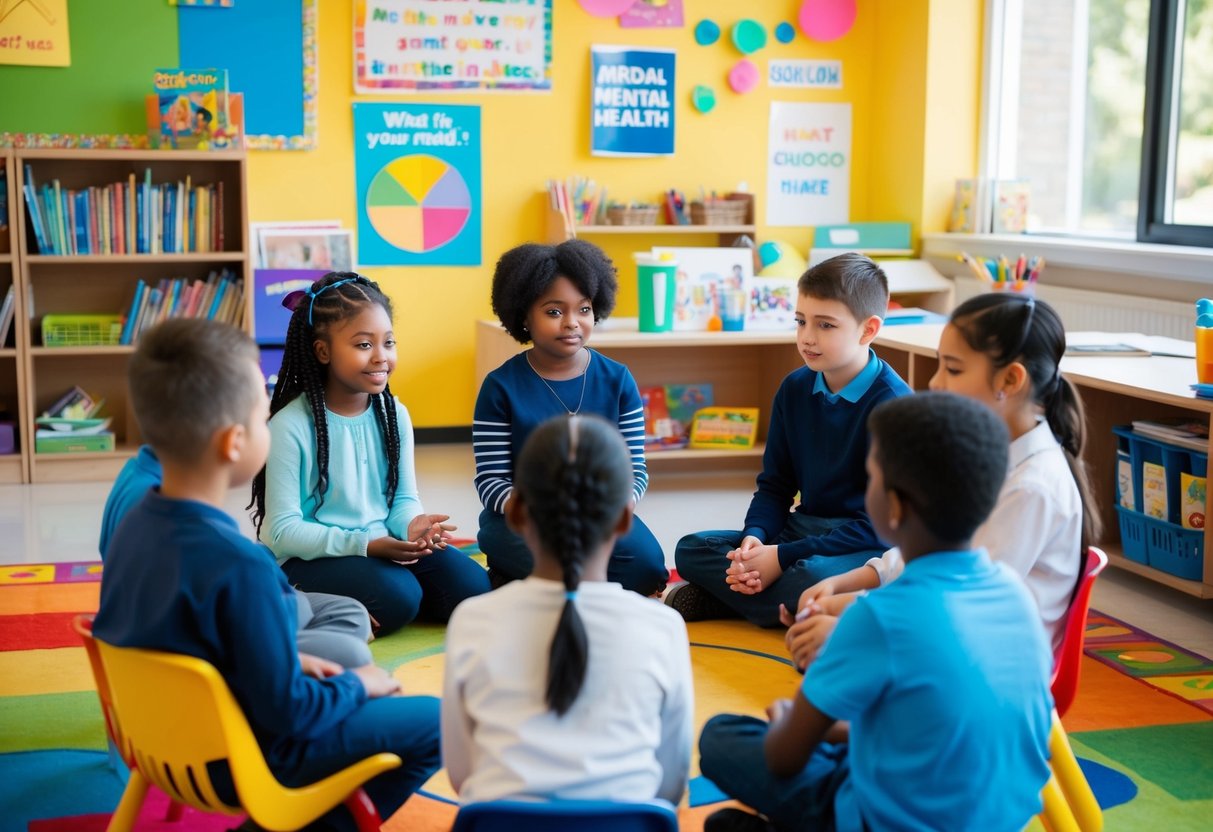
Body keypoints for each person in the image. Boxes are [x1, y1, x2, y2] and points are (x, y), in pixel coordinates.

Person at [93, 319, 440, 830]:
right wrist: (359, 685)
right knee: (436, 721)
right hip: (235, 758)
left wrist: (289, 660)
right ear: (235, 443)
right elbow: (292, 714)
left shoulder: (135, 522)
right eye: (263, 416)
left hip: (156, 744)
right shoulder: (240, 564)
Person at [698, 393, 1053, 832]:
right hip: (1000, 818)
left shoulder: (879, 616)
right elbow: (943, 729)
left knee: (721, 739)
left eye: (870, 478)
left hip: (882, 818)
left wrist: (792, 720)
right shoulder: (1017, 594)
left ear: (896, 505)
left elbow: (783, 756)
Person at [784, 294, 1099, 668]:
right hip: (950, 637)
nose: (935, 383)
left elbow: (955, 599)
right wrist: (854, 581)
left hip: (985, 667)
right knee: (822, 643)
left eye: (953, 368)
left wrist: (851, 617)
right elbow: (933, 550)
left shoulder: (1032, 487)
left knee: (820, 668)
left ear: (1010, 379)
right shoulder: (989, 453)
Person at [444, 414, 693, 805]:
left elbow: (462, 776)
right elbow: (670, 785)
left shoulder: (472, 621)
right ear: (626, 519)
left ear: (517, 513)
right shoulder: (663, 626)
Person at [669, 253, 912, 626]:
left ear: (868, 330)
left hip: (861, 543)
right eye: (800, 321)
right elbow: (775, 486)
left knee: (811, 577)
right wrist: (755, 539)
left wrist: (781, 557)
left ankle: (728, 599)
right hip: (803, 529)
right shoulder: (794, 388)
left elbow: (880, 525)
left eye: (826, 325)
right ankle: (783, 604)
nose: (807, 338)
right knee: (693, 548)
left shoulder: (895, 406)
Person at [251, 272, 490, 635]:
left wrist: (413, 526)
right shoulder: (289, 425)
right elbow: (281, 531)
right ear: (323, 351)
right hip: (307, 557)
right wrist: (365, 544)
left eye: (389, 342)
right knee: (400, 597)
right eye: (364, 345)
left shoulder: (395, 414)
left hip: (381, 544)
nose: (381, 357)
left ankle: (381, 596)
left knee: (474, 592)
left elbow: (403, 499)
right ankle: (308, 599)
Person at [473, 240, 667, 595]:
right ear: (524, 317)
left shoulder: (618, 379)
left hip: (600, 516)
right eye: (554, 312)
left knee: (649, 568)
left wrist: (619, 505)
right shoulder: (499, 386)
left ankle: (532, 581)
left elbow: (635, 468)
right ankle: (516, 571)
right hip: (525, 519)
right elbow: (490, 482)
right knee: (564, 569)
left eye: (584, 309)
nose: (572, 323)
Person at [100, 445, 373, 669]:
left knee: (349, 612)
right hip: (214, 652)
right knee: (351, 653)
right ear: (234, 439)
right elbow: (257, 606)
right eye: (262, 421)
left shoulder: (139, 481)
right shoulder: (209, 537)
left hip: (177, 636)